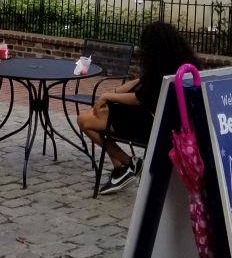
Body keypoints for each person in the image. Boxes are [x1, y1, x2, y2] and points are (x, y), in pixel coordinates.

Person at [78, 21, 199, 195]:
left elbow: (139, 98)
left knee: (84, 120)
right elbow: (142, 82)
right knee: (95, 113)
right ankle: (120, 168)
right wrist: (113, 92)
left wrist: (107, 96)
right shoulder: (180, 64)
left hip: (147, 123)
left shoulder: (160, 72)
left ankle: (130, 163)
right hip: (162, 120)